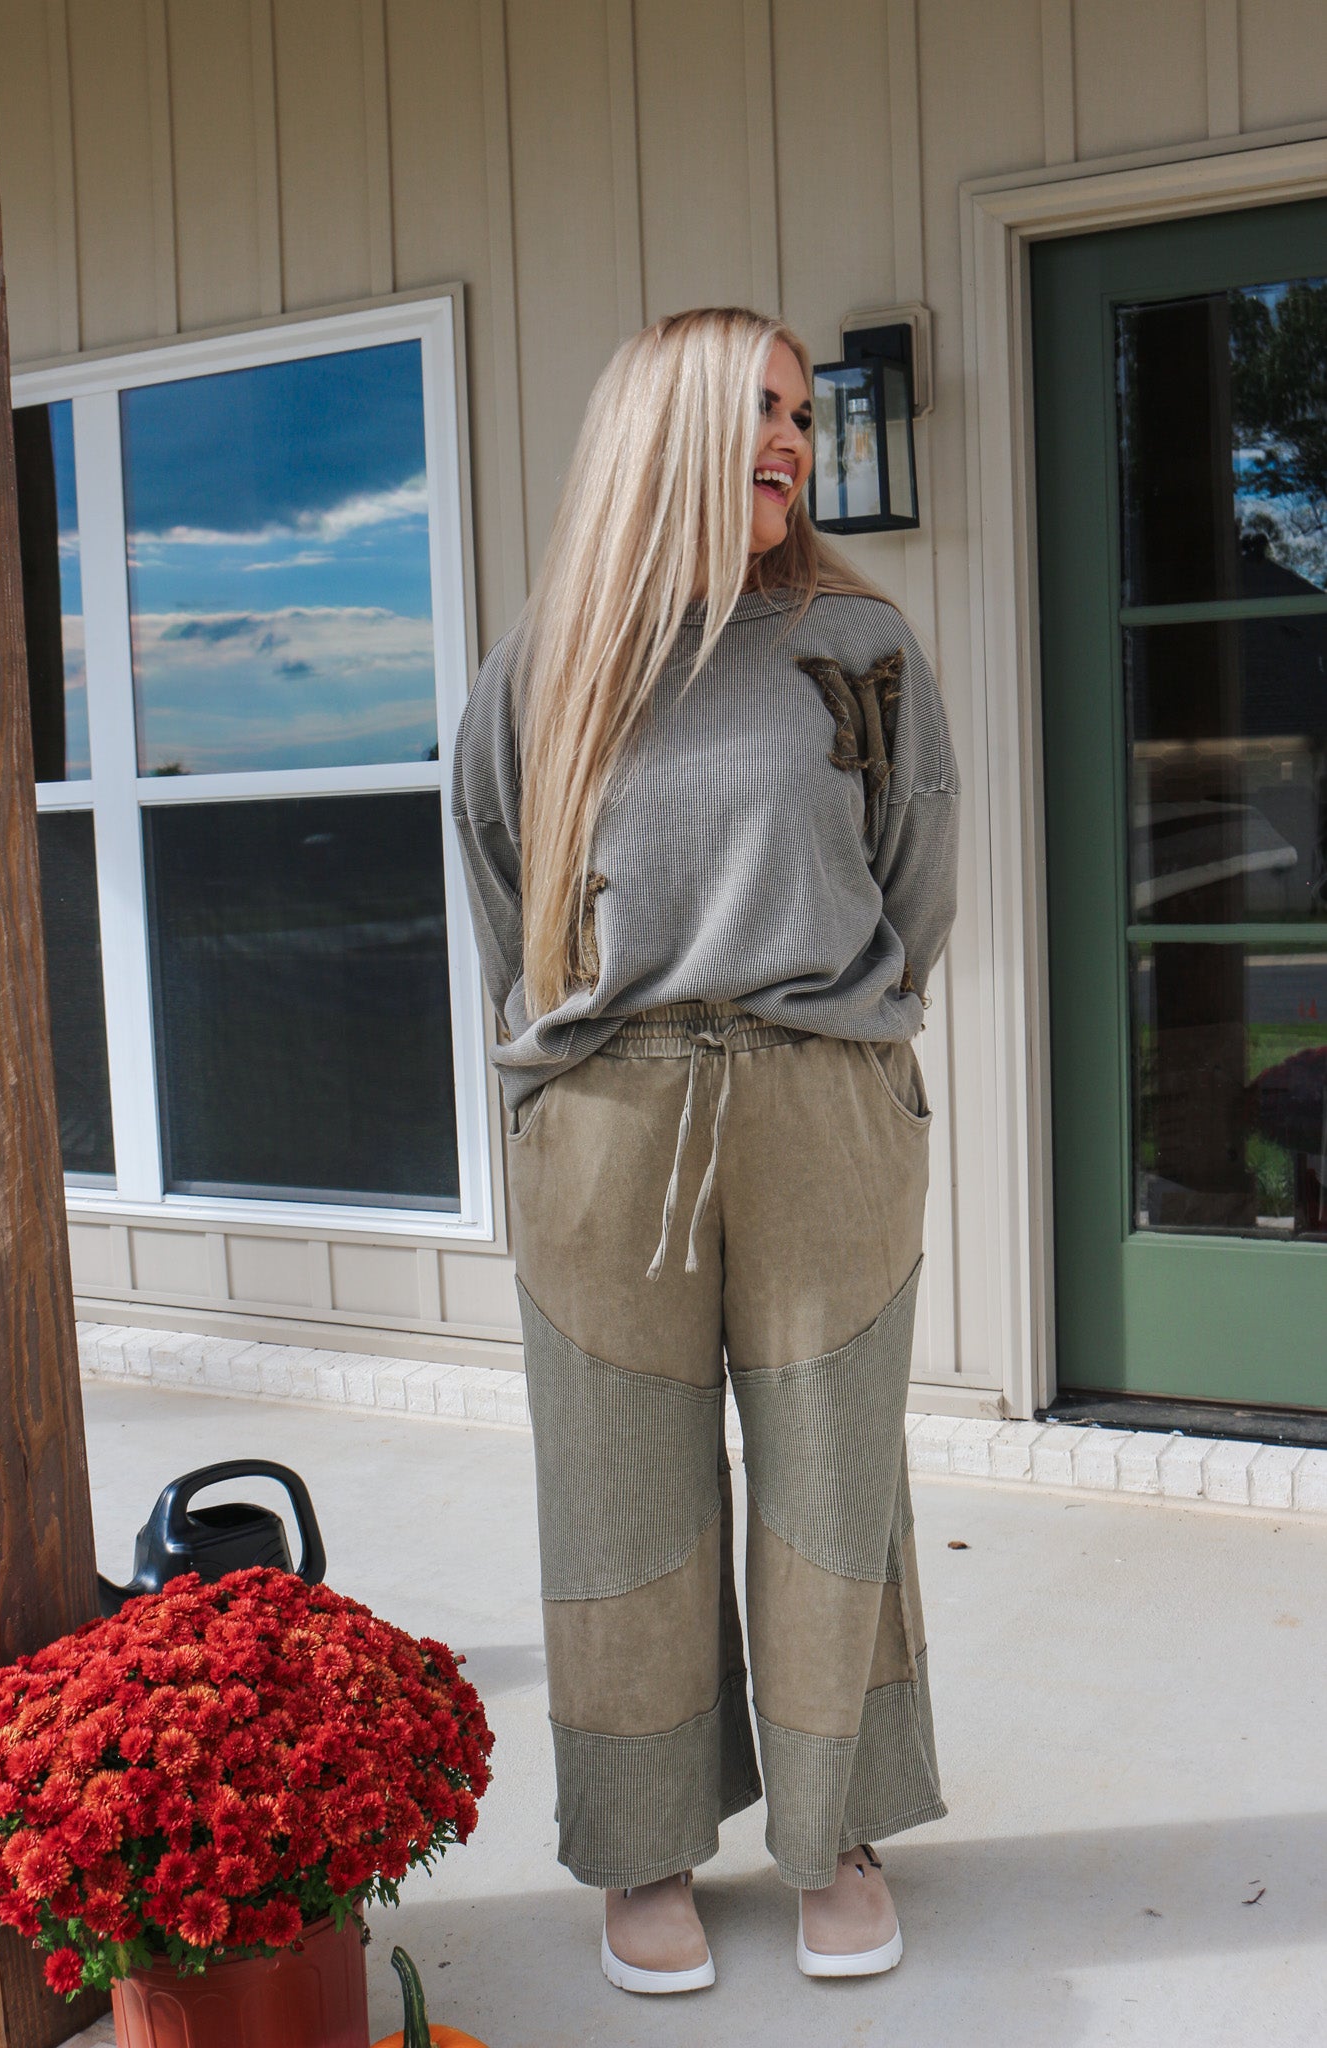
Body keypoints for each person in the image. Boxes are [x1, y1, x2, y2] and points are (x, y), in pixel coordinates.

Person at [452, 306, 959, 1994]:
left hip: (820, 1104)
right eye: (755, 408)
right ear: (658, 429)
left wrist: (839, 1030)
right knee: (618, 1491)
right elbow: (501, 887)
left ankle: (837, 1829)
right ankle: (643, 1846)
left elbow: (916, 879)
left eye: (799, 414)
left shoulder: (858, 643)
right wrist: (564, 1074)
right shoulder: (547, 665)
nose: (790, 441)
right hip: (611, 1119)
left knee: (831, 1480)